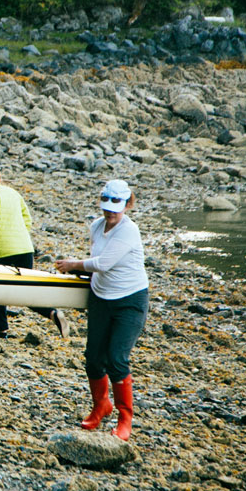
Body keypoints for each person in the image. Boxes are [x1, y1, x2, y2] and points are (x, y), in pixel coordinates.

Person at [55, 179, 149, 441]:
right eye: (106, 204)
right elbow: (98, 261)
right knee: (93, 358)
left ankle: (124, 418)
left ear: (127, 204)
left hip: (130, 300)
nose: (109, 211)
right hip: (101, 298)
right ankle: (101, 406)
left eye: (116, 205)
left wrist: (73, 265)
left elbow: (104, 263)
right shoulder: (96, 226)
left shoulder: (129, 231)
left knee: (117, 358)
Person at [0, 164, 70, 339]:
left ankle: (1, 330)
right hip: (25, 248)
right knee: (26, 290)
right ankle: (52, 313)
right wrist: (18, 237)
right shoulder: (13, 193)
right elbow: (27, 219)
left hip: (1, 249)